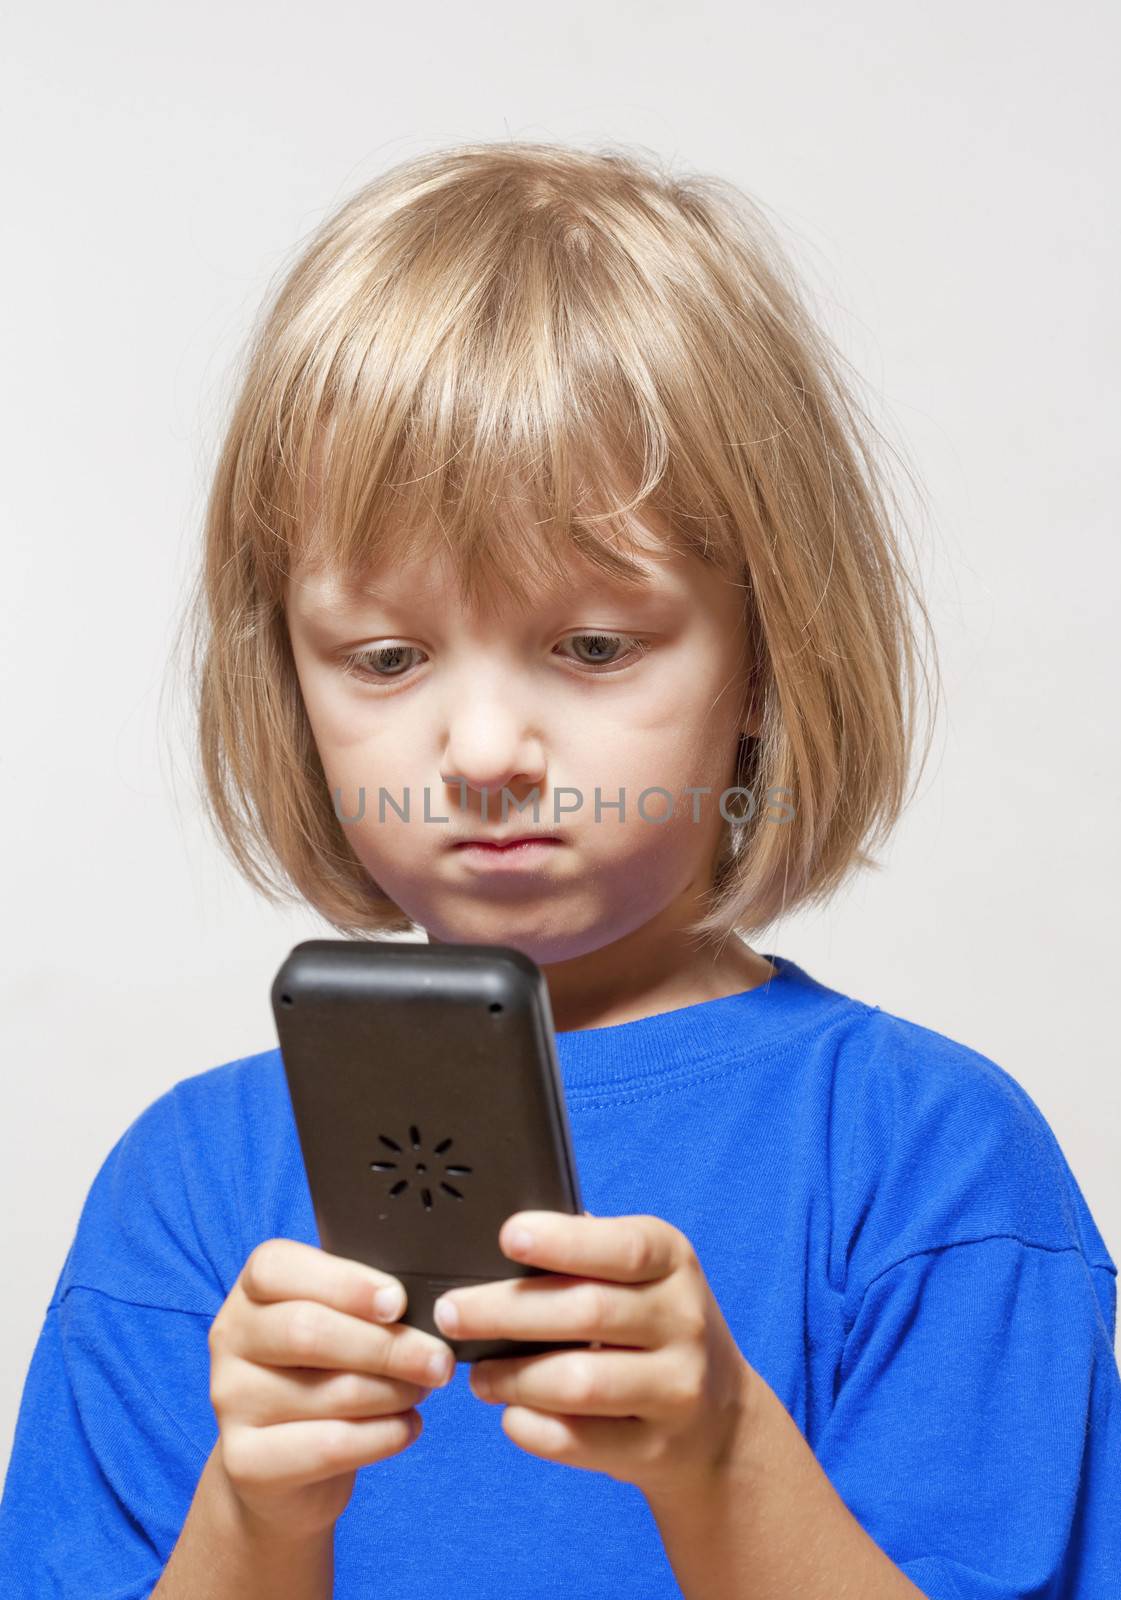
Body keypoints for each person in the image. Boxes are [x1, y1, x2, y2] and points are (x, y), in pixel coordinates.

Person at [1, 141, 1118, 1600]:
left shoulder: (924, 1159)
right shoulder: (188, 1189)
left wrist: (719, 1457)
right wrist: (258, 1526)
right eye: (387, 657)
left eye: (592, 647)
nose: (477, 748)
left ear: (767, 661)